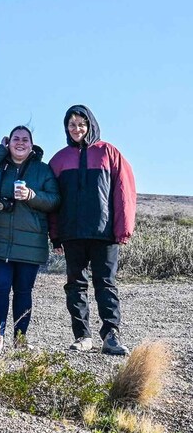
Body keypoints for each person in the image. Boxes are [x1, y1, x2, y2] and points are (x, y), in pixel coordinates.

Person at [48, 105, 136, 356]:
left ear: (91, 125)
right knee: (75, 285)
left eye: (81, 124)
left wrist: (123, 229)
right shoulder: (59, 159)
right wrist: (55, 234)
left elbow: (124, 193)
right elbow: (54, 201)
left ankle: (111, 335)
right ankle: (82, 336)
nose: (77, 129)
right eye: (72, 124)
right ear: (66, 128)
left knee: (105, 284)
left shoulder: (109, 153)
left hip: (104, 234)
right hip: (72, 233)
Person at [0, 126, 60, 352]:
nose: (20, 143)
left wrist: (32, 196)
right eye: (15, 139)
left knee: (23, 292)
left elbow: (55, 200)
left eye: (25, 140)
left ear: (32, 144)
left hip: (30, 244)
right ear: (8, 142)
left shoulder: (42, 170)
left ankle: (20, 338)